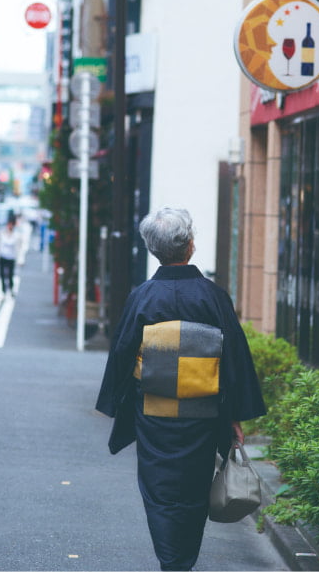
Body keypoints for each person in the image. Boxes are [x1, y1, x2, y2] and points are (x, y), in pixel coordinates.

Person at [96, 207, 266, 572]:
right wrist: (235, 415)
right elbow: (234, 359)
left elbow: (123, 351)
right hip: (201, 415)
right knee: (193, 490)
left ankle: (171, 560)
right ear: (190, 245)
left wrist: (115, 400)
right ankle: (180, 561)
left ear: (152, 249)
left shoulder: (142, 296)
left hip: (154, 413)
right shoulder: (212, 296)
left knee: (158, 492)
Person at [0, 216, 22, 297]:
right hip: (3, 256)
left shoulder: (16, 235)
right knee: (2, 275)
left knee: (11, 275)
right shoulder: (2, 233)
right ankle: (3, 291)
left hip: (11, 257)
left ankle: (11, 289)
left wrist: (19, 259)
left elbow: (18, 248)